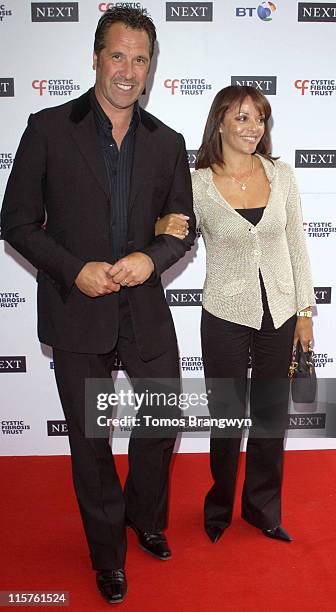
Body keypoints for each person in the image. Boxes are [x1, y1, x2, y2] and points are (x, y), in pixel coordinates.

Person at [1, 7, 195, 604]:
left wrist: (153, 258)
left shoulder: (168, 142)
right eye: (118, 55)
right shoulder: (48, 127)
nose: (128, 70)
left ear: (151, 68)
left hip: (143, 308)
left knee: (163, 417)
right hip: (77, 310)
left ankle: (142, 514)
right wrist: (72, 269)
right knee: (90, 441)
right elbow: (15, 221)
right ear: (94, 58)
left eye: (140, 59)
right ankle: (107, 553)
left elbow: (181, 226)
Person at [155, 85, 315, 545]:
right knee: (226, 419)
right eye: (241, 117)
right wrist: (156, 226)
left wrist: (305, 311)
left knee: (270, 418)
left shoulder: (281, 175)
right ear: (220, 122)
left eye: (259, 119)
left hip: (281, 312)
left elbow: (297, 246)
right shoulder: (197, 181)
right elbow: (175, 231)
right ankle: (219, 507)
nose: (252, 128)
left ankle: (262, 509)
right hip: (224, 311)